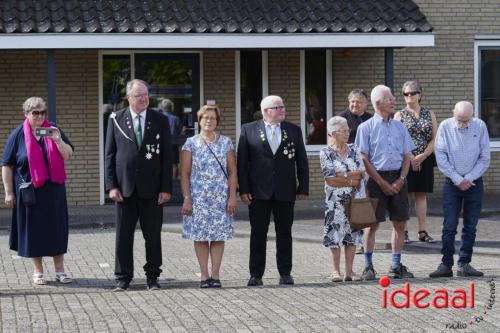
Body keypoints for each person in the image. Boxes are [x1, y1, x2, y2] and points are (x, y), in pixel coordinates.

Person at [105, 79, 173, 291]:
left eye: (145, 95)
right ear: (128, 98)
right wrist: (111, 186)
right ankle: (123, 277)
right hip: (124, 189)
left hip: (152, 189)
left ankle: (152, 277)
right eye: (138, 96)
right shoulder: (116, 119)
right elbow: (110, 154)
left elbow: (167, 157)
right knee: (123, 236)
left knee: (152, 236)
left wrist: (166, 188)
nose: (143, 99)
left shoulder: (159, 119)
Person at [237, 95, 309, 286]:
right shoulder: (249, 130)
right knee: (258, 233)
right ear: (266, 111)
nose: (283, 110)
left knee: (284, 232)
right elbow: (242, 163)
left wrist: (303, 187)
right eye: (278, 107)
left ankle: (285, 272)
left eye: (283, 107)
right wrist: (243, 190)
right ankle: (256, 274)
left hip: (285, 191)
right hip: (258, 192)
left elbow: (301, 161)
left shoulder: (293, 130)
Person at [2, 97, 74, 285]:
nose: (40, 116)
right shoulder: (18, 134)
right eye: (36, 113)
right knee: (34, 231)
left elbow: (68, 155)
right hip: (30, 193)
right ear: (26, 114)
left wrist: (58, 141)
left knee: (56, 229)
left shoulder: (53, 130)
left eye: (43, 112)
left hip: (54, 192)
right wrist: (9, 192)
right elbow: (7, 165)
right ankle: (38, 272)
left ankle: (60, 271)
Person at [355, 85, 415, 280]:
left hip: (399, 177)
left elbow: (407, 155)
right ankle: (368, 266)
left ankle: (395, 265)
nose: (394, 101)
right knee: (370, 225)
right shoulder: (365, 128)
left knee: (399, 223)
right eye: (389, 98)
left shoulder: (400, 127)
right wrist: (380, 182)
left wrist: (401, 180)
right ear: (378, 103)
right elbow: (363, 158)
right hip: (374, 179)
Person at [430, 101, 490, 278]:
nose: (462, 124)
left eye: (466, 120)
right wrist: (457, 179)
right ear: (453, 113)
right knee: (449, 225)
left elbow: (485, 157)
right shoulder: (445, 126)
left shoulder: (480, 126)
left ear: (472, 115)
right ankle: (445, 265)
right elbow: (440, 156)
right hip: (452, 183)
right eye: (459, 119)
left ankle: (464, 263)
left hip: (474, 183)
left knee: (470, 226)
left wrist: (469, 178)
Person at [180, 105, 237, 288]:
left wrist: (232, 197)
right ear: (199, 120)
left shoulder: (226, 142)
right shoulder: (190, 143)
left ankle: (216, 275)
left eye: (212, 118)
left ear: (217, 121)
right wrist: (187, 198)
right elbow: (185, 173)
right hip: (198, 199)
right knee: (201, 237)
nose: (209, 121)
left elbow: (232, 171)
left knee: (219, 237)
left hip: (221, 198)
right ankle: (204, 276)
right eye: (205, 118)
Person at [320, 116, 364, 282]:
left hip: (354, 200)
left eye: (348, 130)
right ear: (333, 133)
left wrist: (343, 176)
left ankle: (350, 272)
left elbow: (361, 174)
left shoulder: (354, 150)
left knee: (351, 236)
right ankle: (335, 271)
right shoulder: (326, 152)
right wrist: (350, 178)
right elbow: (330, 179)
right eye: (344, 130)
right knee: (335, 237)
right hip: (334, 202)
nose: (348, 133)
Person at [394, 81, 438, 244]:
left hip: (425, 159)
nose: (409, 96)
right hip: (406, 160)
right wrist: (411, 157)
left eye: (413, 93)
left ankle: (422, 231)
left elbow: (435, 138)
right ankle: (403, 231)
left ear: (420, 94)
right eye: (406, 94)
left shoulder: (430, 114)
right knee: (405, 195)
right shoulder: (399, 115)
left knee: (421, 195)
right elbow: (397, 139)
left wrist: (423, 156)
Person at [158, 99, 181, 179]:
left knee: (161, 162)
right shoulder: (176, 118)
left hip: (161, 143)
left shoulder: (158, 117)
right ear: (171, 108)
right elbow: (179, 131)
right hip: (173, 144)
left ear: (162, 107)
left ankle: (162, 179)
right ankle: (173, 180)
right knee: (174, 163)